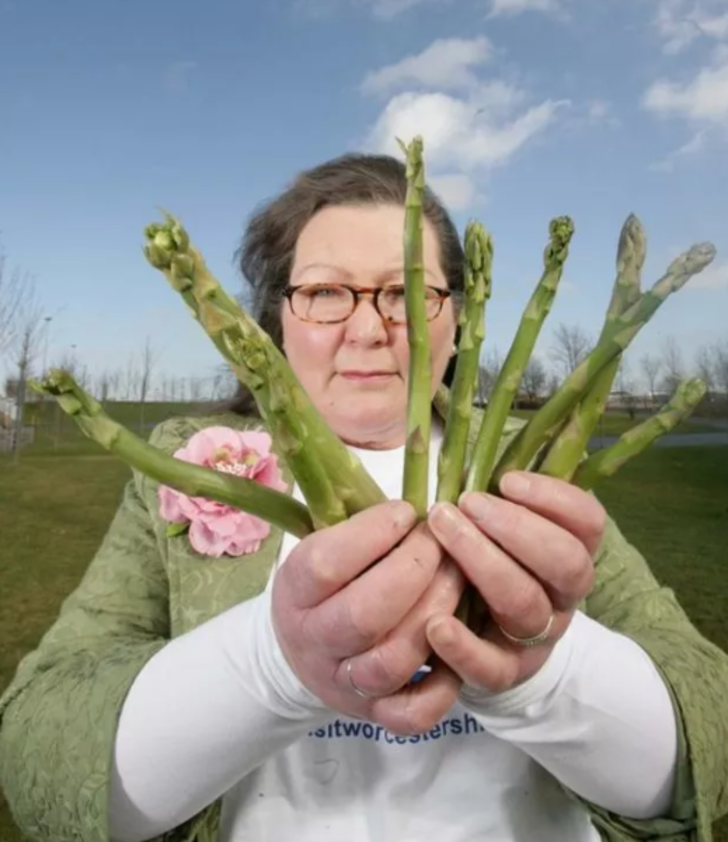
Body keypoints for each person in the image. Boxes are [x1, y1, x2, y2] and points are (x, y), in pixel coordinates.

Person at [1, 153, 727, 842]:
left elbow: (709, 738)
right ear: (275, 317)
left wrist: (547, 673)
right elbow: (41, 756)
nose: (373, 326)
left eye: (407, 291)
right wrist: (271, 664)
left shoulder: (535, 458)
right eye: (324, 291)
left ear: (458, 317)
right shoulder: (182, 463)